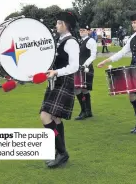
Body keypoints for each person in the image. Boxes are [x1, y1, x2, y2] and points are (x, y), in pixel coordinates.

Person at [97, 13, 136, 133]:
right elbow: (122, 52)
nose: (133, 25)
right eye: (132, 23)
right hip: (133, 68)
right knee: (132, 96)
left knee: (133, 95)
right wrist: (106, 60)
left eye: (135, 22)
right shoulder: (133, 37)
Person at [40, 11, 80, 168]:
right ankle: (60, 152)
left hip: (63, 81)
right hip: (55, 81)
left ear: (65, 24)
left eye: (58, 23)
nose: (56, 25)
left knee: (45, 116)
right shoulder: (59, 40)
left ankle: (62, 153)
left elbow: (74, 66)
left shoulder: (71, 42)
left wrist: (56, 72)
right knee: (56, 118)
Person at [75, 25, 97, 120]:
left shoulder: (91, 41)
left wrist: (85, 65)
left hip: (86, 68)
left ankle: (85, 111)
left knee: (83, 89)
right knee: (79, 89)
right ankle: (86, 111)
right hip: (78, 68)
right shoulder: (79, 41)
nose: (81, 32)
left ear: (88, 31)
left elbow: (93, 56)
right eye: (80, 30)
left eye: (83, 30)